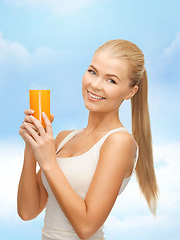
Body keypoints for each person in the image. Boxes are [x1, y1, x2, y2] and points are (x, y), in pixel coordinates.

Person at [17, 39, 159, 240]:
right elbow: (27, 211)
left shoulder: (119, 142)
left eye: (111, 80)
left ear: (130, 92)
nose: (95, 85)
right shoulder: (65, 138)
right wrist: (32, 147)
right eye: (92, 72)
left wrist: (48, 161)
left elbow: (86, 228)